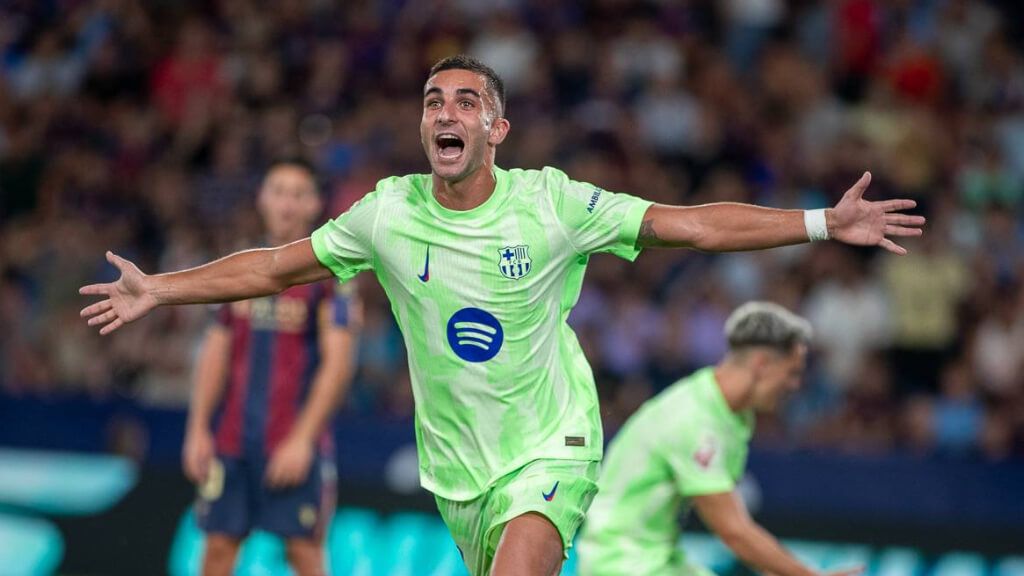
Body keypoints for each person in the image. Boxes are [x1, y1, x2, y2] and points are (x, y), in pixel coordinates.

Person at [80, 55, 923, 576]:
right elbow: (272, 266)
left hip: (554, 443)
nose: (444, 112)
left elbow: (690, 223)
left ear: (498, 128)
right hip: (457, 472)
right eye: (432, 101)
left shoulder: (553, 203)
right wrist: (160, 286)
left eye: (464, 101)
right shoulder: (387, 212)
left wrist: (821, 222)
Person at [576, 302, 860, 576]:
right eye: (792, 372)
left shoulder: (733, 414)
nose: (795, 385)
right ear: (761, 364)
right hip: (619, 563)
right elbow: (733, 530)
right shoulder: (695, 420)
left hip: (655, 559)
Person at [181, 158, 359, 576]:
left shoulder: (332, 275)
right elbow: (215, 351)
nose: (287, 203)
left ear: (315, 203)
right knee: (218, 552)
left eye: (298, 193)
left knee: (305, 554)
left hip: (294, 444)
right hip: (232, 442)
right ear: (262, 197)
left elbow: (338, 366)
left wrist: (302, 440)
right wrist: (198, 428)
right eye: (278, 190)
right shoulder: (239, 271)